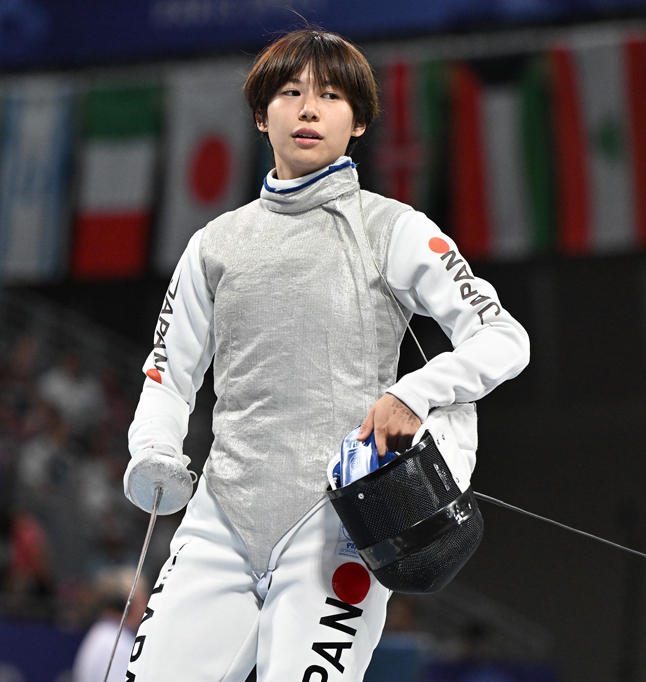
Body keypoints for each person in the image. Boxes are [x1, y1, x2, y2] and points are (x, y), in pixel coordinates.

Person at [122, 28, 530, 681]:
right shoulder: (214, 245)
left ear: (359, 121)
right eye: (291, 92)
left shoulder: (393, 230)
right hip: (220, 522)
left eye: (332, 96)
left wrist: (413, 395)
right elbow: (168, 373)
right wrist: (154, 448)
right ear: (262, 115)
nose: (309, 109)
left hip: (339, 529)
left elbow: (503, 338)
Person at [72, 566, 149, 682]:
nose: (146, 608)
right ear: (125, 605)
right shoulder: (117, 644)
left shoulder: (104, 634)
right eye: (142, 601)